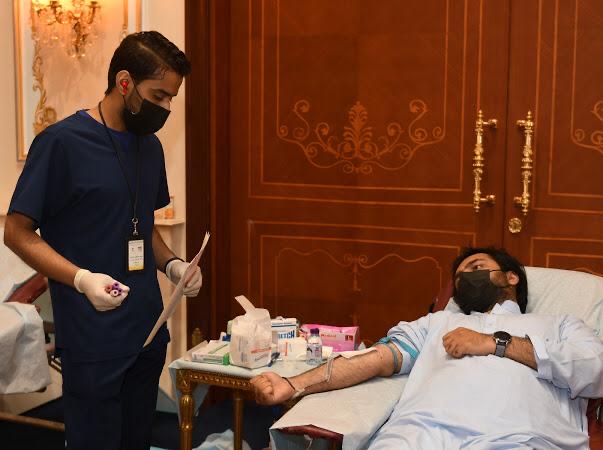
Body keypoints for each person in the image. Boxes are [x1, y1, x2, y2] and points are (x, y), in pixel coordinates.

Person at [3, 31, 201, 450]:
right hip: (92, 337)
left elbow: (142, 226)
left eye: (171, 99)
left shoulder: (150, 148)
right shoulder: (61, 143)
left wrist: (172, 265)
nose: (166, 108)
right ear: (124, 82)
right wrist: (81, 278)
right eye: (159, 95)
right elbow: (16, 232)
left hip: (147, 332)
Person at [251, 247, 603, 449]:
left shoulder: (558, 325)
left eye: (477, 267)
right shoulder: (436, 323)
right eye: (461, 275)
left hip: (516, 439)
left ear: (511, 277)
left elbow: (595, 370)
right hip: (417, 437)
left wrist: (497, 344)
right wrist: (293, 385)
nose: (467, 276)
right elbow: (376, 359)